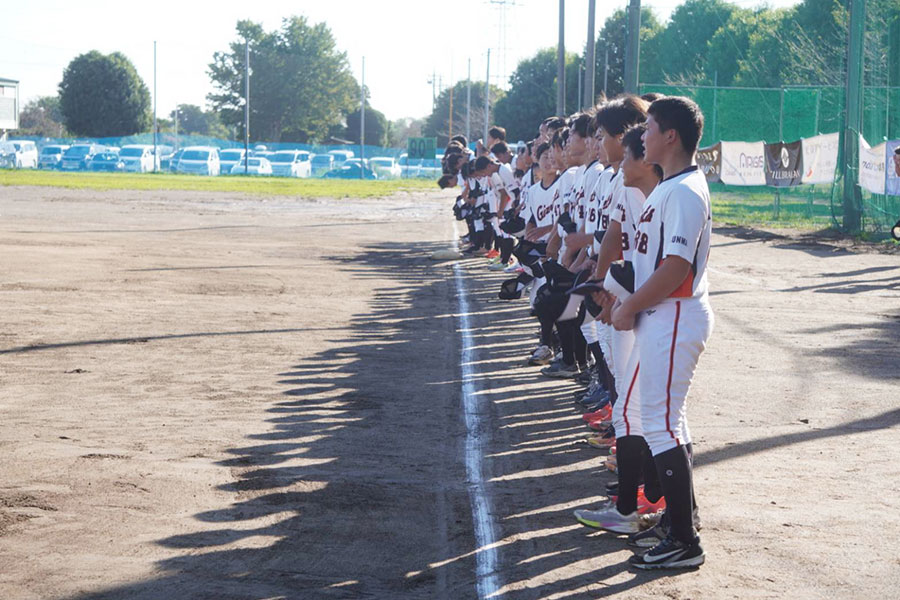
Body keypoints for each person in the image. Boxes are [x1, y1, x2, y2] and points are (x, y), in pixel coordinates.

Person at [612, 96, 713, 570]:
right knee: (668, 420)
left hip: (674, 313)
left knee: (659, 421)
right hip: (666, 314)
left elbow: (676, 268)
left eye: (650, 127)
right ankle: (681, 520)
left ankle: (683, 540)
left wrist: (630, 304)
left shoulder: (684, 190)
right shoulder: (671, 186)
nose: (643, 134)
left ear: (670, 136)